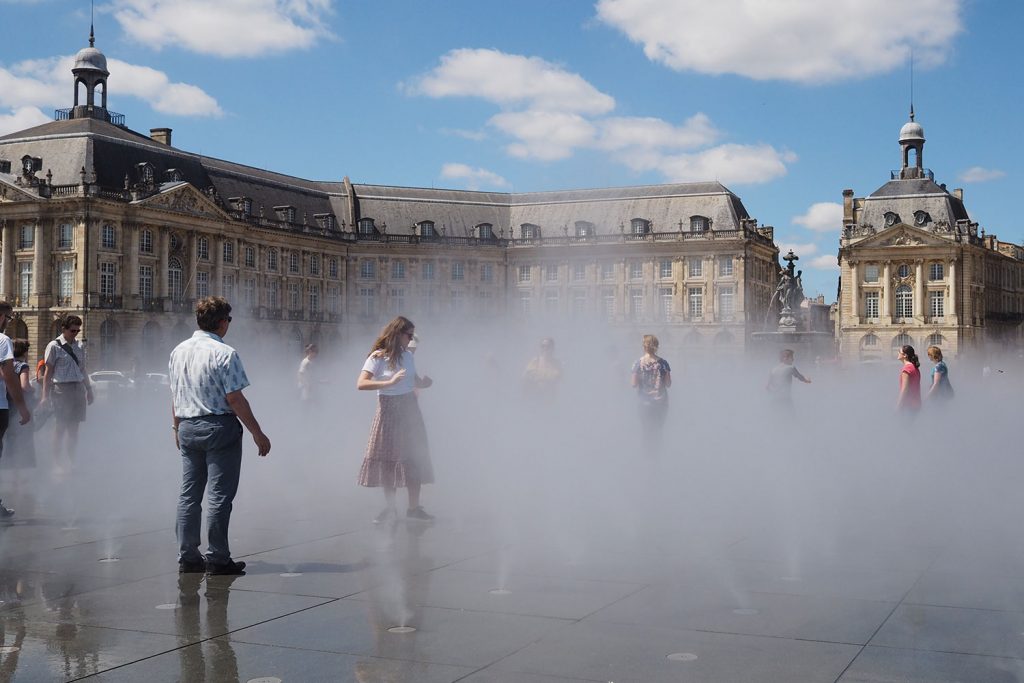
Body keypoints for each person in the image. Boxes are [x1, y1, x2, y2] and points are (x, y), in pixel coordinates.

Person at [169, 297, 271, 576]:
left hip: (188, 427)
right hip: (218, 427)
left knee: (189, 495)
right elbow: (235, 398)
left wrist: (176, 428)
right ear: (223, 322)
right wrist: (257, 433)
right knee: (218, 496)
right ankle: (217, 557)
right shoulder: (225, 353)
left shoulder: (178, 351)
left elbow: (175, 395)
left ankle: (188, 557)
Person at [356, 316, 434, 523]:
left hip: (410, 410)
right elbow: (361, 383)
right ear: (397, 334)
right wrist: (388, 382)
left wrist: (423, 383)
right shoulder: (378, 357)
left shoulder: (408, 356)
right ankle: (390, 509)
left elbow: (412, 380)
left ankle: (414, 508)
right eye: (409, 335)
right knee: (388, 461)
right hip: (388, 411)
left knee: (414, 458)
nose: (411, 340)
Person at [40, 315, 93, 473]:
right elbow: (48, 373)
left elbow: (82, 369)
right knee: (60, 428)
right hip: (61, 389)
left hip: (78, 388)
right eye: (72, 330)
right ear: (63, 329)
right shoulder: (54, 346)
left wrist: (89, 389)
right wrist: (44, 396)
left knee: (74, 430)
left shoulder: (80, 346)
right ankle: (56, 463)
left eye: (77, 331)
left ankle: (71, 461)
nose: (75, 333)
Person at [0, 303, 31, 518]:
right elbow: (9, 376)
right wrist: (22, 407)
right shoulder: (3, 341)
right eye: (9, 318)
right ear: (2, 317)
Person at [631, 335, 672, 447]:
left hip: (644, 402)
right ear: (657, 346)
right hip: (661, 402)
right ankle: (658, 452)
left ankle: (646, 453)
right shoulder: (663, 363)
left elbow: (634, 384)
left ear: (644, 346)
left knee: (646, 429)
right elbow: (668, 384)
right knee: (658, 429)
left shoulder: (637, 363)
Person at [3, 339, 37, 474]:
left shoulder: (6, 365)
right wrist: (33, 390)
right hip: (19, 406)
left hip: (6, 404)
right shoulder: (23, 366)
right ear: (25, 352)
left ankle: (7, 471)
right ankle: (17, 477)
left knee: (8, 439)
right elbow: (24, 386)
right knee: (22, 439)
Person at [896, 344, 922, 415]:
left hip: (908, 405)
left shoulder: (907, 369)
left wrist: (898, 407)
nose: (898, 353)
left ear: (905, 355)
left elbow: (905, 389)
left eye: (899, 352)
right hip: (916, 404)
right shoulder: (914, 367)